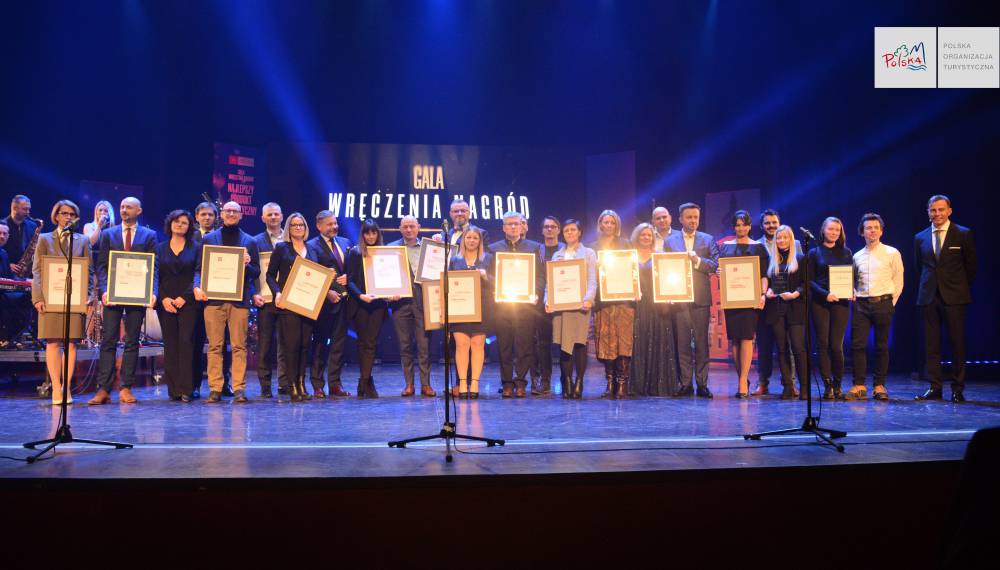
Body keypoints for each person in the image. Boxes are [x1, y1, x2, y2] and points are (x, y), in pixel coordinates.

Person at [89, 197, 158, 405]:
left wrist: (152, 292)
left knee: (132, 341)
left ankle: (126, 387)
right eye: (122, 207)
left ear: (139, 210)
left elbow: (154, 267)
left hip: (137, 294)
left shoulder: (149, 235)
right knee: (108, 340)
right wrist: (104, 290)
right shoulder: (108, 234)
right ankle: (103, 389)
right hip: (113, 294)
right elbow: (101, 265)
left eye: (128, 207)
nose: (124, 210)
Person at [192, 201, 261, 404]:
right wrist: (197, 287)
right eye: (227, 211)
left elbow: (256, 272)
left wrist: (248, 264)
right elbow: (199, 268)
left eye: (235, 211)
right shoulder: (208, 239)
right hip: (214, 299)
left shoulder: (250, 241)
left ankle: (239, 388)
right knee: (215, 346)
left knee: (239, 346)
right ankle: (215, 388)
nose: (231, 213)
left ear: (241, 215)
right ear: (221, 214)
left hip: (239, 300)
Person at [31, 200, 93, 405]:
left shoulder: (83, 240)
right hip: (50, 299)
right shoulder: (44, 239)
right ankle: (56, 388)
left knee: (71, 343)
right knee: (53, 342)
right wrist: (38, 297)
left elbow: (89, 271)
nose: (68, 217)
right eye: (64, 213)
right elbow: (37, 270)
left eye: (72, 214)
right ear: (56, 216)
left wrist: (88, 295)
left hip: (75, 299)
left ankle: (66, 388)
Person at [915, 195, 976, 402]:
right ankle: (935, 387)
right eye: (933, 210)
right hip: (929, 297)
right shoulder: (920, 237)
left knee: (957, 344)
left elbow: (971, 267)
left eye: (941, 209)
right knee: (931, 345)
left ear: (949, 211)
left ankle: (958, 388)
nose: (937, 214)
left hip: (954, 297)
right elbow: (919, 267)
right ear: (928, 212)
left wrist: (958, 288)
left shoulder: (963, 234)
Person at [846, 213, 903, 401]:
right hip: (861, 305)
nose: (872, 231)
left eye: (876, 227)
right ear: (862, 232)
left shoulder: (892, 253)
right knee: (858, 345)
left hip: (883, 303)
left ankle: (879, 385)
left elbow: (898, 280)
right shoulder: (856, 256)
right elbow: (853, 282)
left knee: (881, 346)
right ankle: (859, 385)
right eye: (868, 228)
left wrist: (890, 303)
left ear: (881, 231)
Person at [665, 203, 719, 398]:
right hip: (679, 298)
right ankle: (686, 383)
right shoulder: (670, 241)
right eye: (689, 217)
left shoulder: (707, 239)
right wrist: (668, 293)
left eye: (696, 217)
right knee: (683, 343)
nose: (693, 221)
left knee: (702, 343)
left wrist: (697, 261)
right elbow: (665, 268)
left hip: (701, 298)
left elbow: (715, 265)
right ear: (680, 219)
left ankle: (702, 384)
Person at [488, 211, 544, 398]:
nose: (513, 227)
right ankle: (507, 383)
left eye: (516, 223)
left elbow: (540, 276)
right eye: (509, 224)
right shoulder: (493, 249)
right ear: (503, 227)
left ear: (522, 226)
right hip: (502, 305)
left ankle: (520, 382)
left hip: (525, 306)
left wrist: (536, 292)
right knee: (504, 346)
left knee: (524, 345)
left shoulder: (534, 247)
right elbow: (490, 276)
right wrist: (495, 288)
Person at [266, 213, 318, 402]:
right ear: (288, 228)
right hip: (288, 305)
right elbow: (270, 275)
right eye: (294, 225)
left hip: (308, 305)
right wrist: (277, 293)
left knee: (304, 346)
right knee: (292, 345)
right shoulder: (282, 248)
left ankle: (301, 383)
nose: (298, 227)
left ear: (305, 227)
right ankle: (292, 385)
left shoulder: (312, 249)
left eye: (301, 224)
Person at [718, 210, 769, 399]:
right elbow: (722, 271)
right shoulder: (725, 247)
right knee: (735, 339)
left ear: (749, 226)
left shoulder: (758, 247)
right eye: (737, 225)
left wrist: (762, 294)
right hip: (732, 298)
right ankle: (742, 378)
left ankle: (742, 382)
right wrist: (720, 273)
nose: (741, 228)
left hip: (750, 299)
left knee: (747, 337)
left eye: (744, 225)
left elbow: (763, 275)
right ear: (734, 227)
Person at [545, 218, 596, 399]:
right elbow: (550, 282)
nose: (570, 233)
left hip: (581, 306)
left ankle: (579, 381)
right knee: (564, 346)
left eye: (573, 230)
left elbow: (592, 280)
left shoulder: (588, 253)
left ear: (579, 232)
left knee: (580, 344)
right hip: (562, 308)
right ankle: (567, 381)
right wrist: (547, 300)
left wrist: (588, 299)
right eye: (567, 230)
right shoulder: (557, 255)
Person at [346, 218, 395, 398]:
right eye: (367, 233)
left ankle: (365, 381)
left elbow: (391, 278)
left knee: (371, 342)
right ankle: (365, 381)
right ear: (363, 234)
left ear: (378, 234)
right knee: (362, 342)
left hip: (378, 305)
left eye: (374, 232)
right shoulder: (355, 252)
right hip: (360, 303)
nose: (371, 236)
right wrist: (361, 295)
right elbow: (350, 280)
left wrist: (392, 292)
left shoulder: (385, 252)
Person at [387, 215, 435, 397]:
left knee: (424, 346)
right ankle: (409, 384)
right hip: (400, 303)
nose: (408, 230)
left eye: (412, 226)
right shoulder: (391, 249)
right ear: (400, 228)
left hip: (424, 301)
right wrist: (387, 293)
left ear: (418, 228)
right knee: (404, 345)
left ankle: (426, 384)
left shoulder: (429, 248)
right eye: (405, 226)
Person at [588, 209, 634, 399]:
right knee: (606, 343)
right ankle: (609, 383)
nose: (608, 225)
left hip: (623, 301)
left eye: (612, 222)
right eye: (605, 222)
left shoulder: (625, 244)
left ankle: (622, 383)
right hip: (602, 301)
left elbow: (632, 270)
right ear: (600, 224)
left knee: (623, 342)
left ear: (617, 225)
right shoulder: (592, 247)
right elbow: (587, 275)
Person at [155, 210, 200, 403]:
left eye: (184, 222)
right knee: (170, 344)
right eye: (176, 221)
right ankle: (173, 389)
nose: (180, 224)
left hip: (189, 303)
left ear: (189, 226)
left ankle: (187, 389)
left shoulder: (196, 248)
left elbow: (198, 273)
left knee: (186, 342)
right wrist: (163, 299)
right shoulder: (159, 248)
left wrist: (185, 297)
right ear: (170, 223)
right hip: (165, 303)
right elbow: (155, 276)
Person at [306, 210, 351, 397]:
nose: (334, 227)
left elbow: (353, 268)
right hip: (324, 305)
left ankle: (335, 384)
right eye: (329, 224)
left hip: (344, 303)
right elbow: (312, 273)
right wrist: (327, 293)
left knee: (338, 345)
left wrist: (349, 277)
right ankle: (317, 384)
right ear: (319, 226)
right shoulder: (311, 246)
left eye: (335, 223)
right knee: (320, 344)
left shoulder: (345, 243)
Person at [631, 223, 679, 397]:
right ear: (637, 236)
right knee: (639, 340)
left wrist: (671, 294)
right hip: (637, 303)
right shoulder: (629, 257)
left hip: (658, 304)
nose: (646, 237)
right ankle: (638, 385)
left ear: (653, 238)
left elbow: (669, 279)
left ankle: (658, 385)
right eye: (642, 234)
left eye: (649, 235)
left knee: (659, 340)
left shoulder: (660, 256)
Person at [808, 217, 853, 400]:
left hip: (841, 303)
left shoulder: (846, 252)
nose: (834, 232)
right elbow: (809, 280)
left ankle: (838, 384)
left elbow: (851, 276)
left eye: (837, 230)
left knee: (836, 345)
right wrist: (825, 294)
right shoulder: (814, 253)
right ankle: (827, 384)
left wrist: (852, 290)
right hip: (820, 302)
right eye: (830, 229)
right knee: (823, 344)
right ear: (823, 230)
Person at [763, 225, 807, 399]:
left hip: (796, 308)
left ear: (791, 239)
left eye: (785, 237)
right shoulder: (772, 260)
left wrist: (795, 294)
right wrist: (768, 292)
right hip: (776, 309)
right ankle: (788, 387)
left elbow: (806, 283)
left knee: (798, 348)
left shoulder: (801, 259)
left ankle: (804, 388)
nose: (781, 241)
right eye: (779, 238)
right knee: (781, 349)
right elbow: (768, 284)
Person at [449, 226, 492, 398]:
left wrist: (486, 275)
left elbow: (498, 282)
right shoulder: (454, 260)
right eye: (469, 237)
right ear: (463, 240)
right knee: (461, 345)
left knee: (477, 344)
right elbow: (448, 284)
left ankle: (474, 383)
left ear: (480, 241)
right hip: (460, 307)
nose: (472, 241)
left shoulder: (488, 258)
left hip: (482, 306)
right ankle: (462, 383)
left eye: (475, 238)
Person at [252, 202, 287, 398]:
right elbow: (252, 272)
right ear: (263, 218)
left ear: (282, 216)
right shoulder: (255, 241)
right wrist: (253, 293)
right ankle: (265, 385)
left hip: (288, 300)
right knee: (265, 345)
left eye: (276, 214)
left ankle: (284, 383)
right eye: (269, 214)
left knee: (285, 344)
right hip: (265, 299)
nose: (273, 217)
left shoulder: (291, 239)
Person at [531, 216, 562, 395]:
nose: (550, 229)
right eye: (546, 227)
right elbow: (535, 275)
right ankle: (543, 380)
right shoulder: (537, 251)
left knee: (564, 342)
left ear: (558, 230)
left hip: (562, 300)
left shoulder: (565, 250)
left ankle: (566, 380)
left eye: (553, 226)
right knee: (541, 342)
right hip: (541, 302)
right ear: (542, 230)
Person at [3, 194, 39, 276]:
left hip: (27, 273)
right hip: (7, 273)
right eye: (25, 209)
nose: (28, 212)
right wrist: (7, 264)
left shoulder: (32, 226)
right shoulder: (2, 226)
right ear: (14, 208)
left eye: (29, 209)